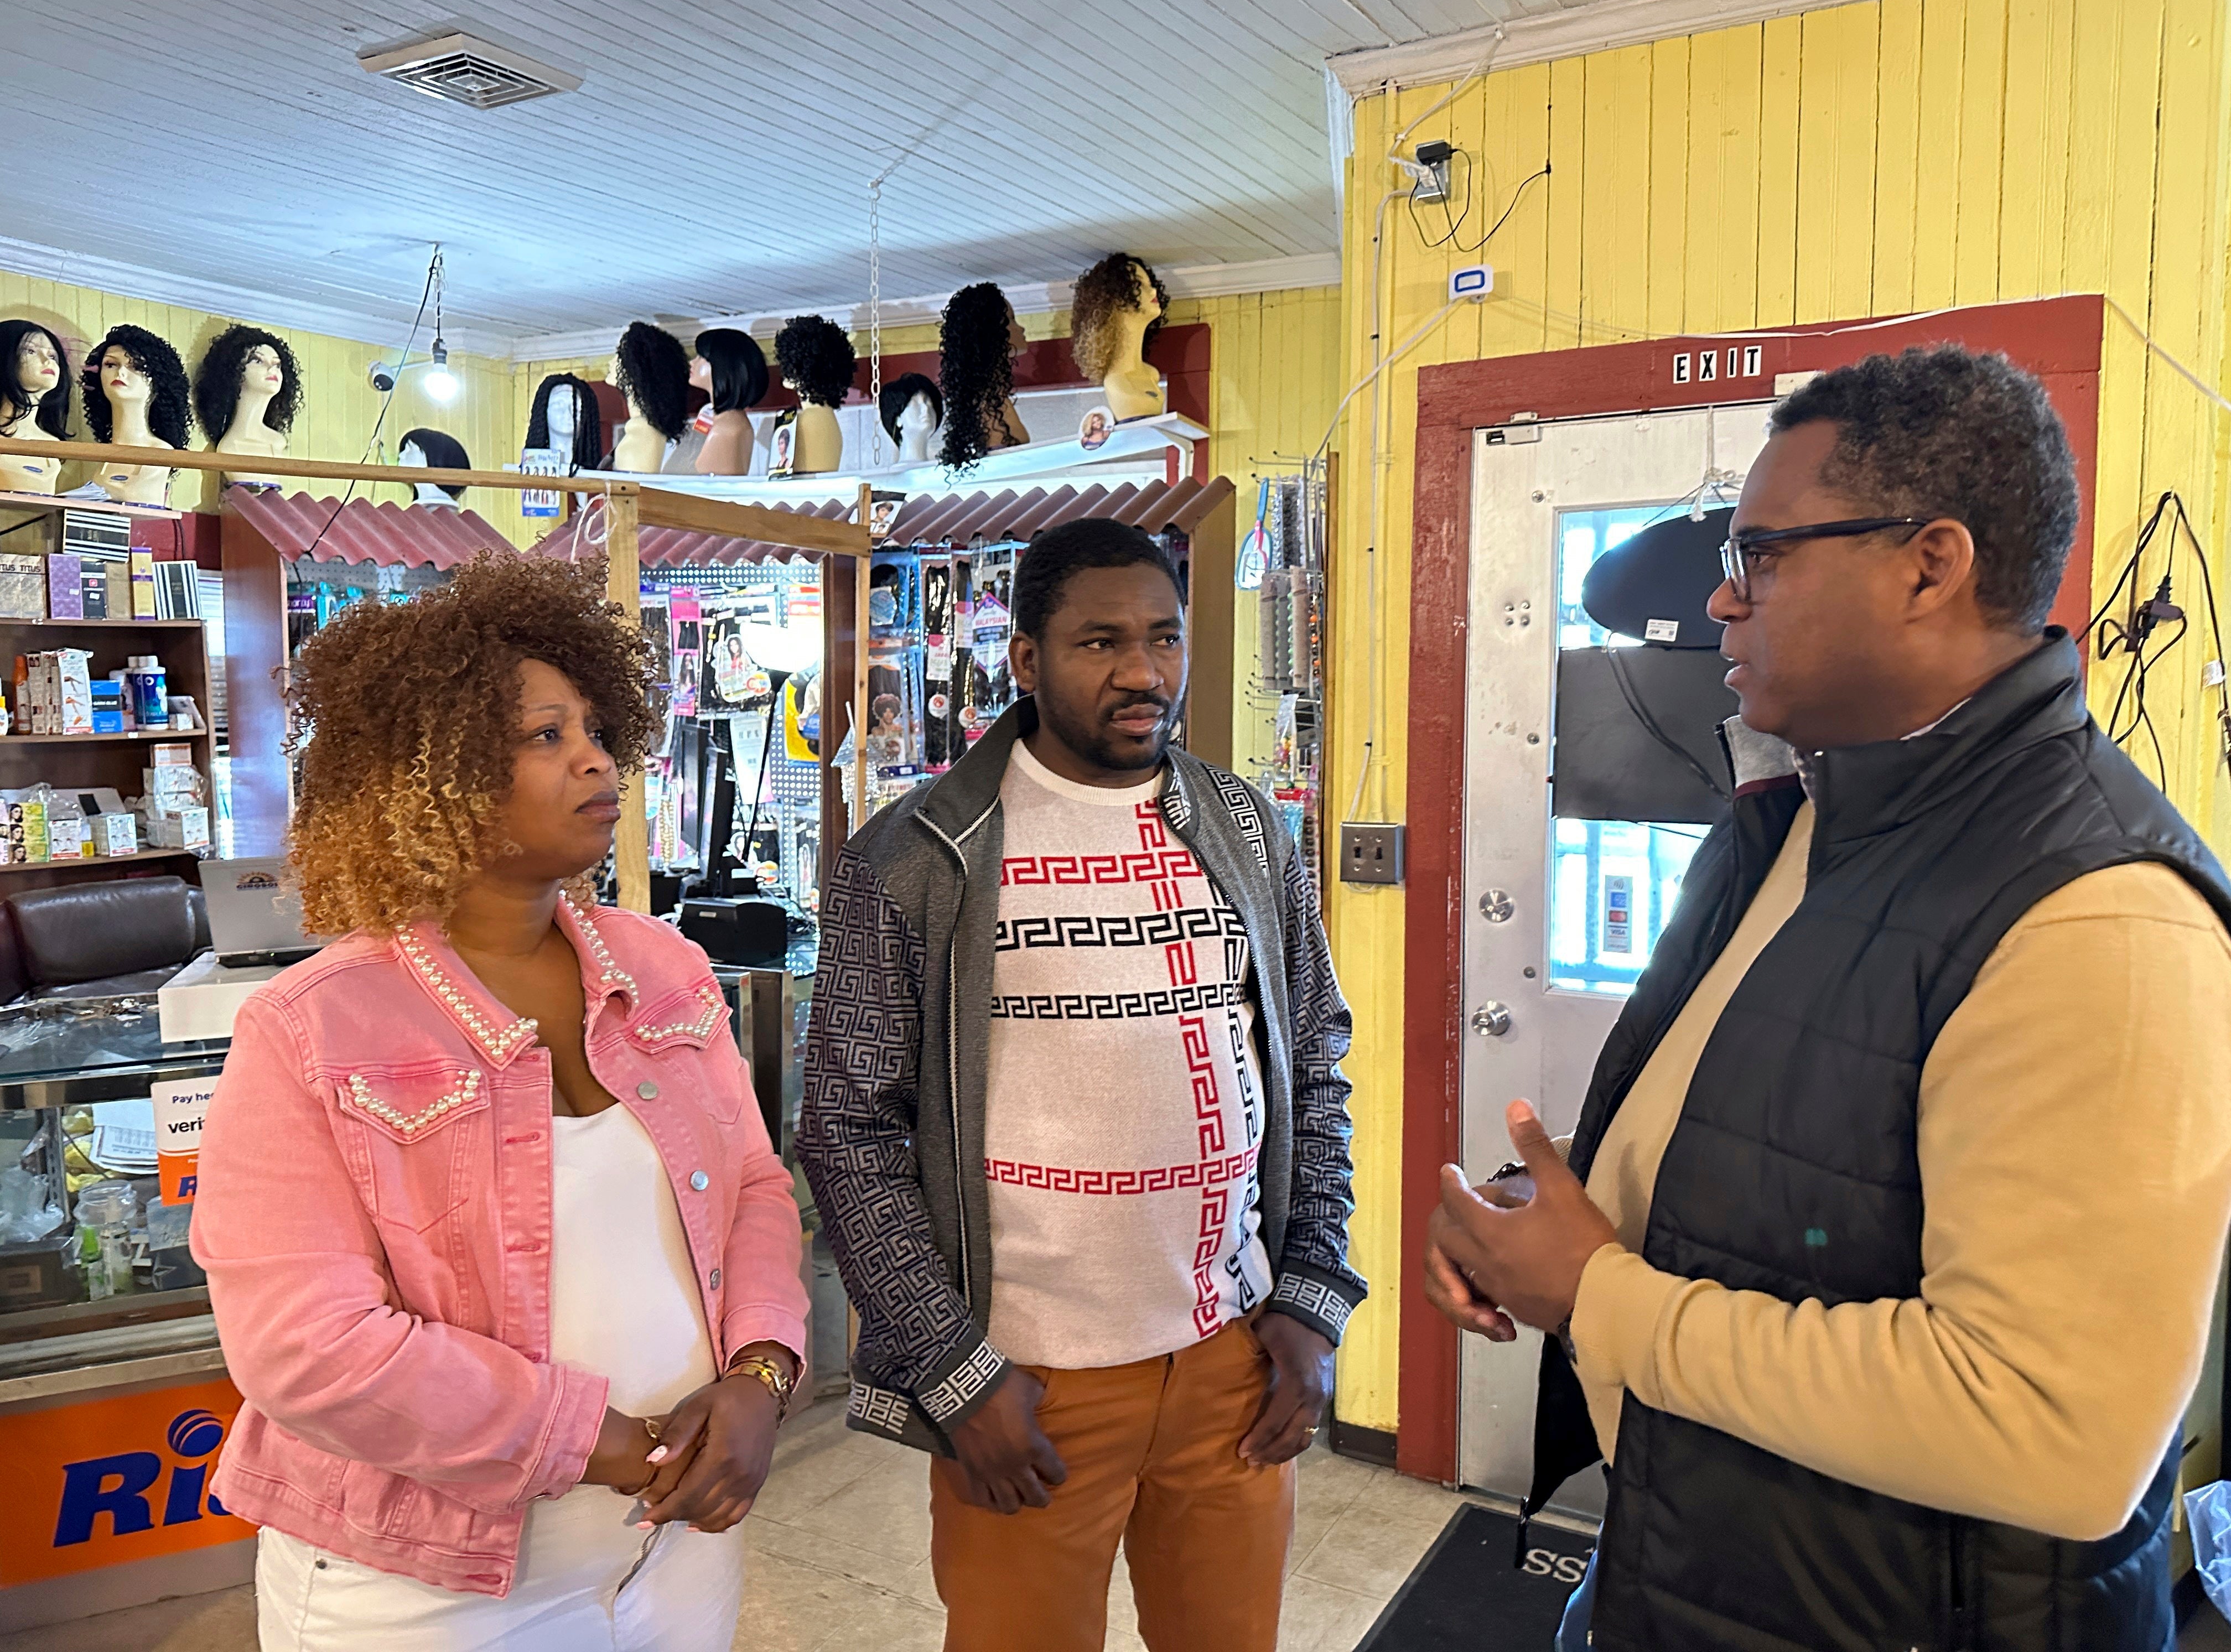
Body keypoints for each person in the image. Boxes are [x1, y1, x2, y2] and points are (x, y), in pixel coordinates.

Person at [1424, 345, 2231, 1650]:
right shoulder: (1799, 817)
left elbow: (2053, 1431)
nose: (1723, 601)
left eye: (1763, 557)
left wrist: (1604, 1296)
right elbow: (1794, 1136)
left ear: (1931, 564)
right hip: (1690, 1573)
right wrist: (1556, 1208)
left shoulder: (2100, 915)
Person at [191, 556, 808, 1651]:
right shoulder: (311, 1028)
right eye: (543, 737)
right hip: (424, 1595)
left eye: (593, 728)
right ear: (433, 777)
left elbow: (755, 1185)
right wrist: (602, 1441)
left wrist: (762, 1373)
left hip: (673, 1557)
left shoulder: (665, 968)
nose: (594, 759)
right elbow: (306, 1348)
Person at [800, 518, 1365, 1651]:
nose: (1143, 672)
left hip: (1230, 1358)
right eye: (1100, 643)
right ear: (1025, 661)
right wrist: (954, 1369)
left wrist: (1310, 1299)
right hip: (1029, 1376)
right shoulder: (915, 855)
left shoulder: (1247, 826)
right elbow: (849, 1135)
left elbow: (1314, 1059)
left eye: (1163, 638)